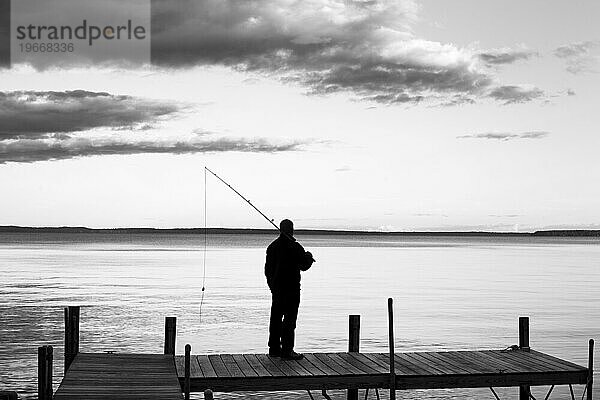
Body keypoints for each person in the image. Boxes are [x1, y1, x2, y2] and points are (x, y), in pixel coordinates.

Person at [264, 219, 314, 360]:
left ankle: (274, 349)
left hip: (277, 289)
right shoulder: (295, 247)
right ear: (291, 230)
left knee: (276, 318)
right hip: (291, 290)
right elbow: (304, 266)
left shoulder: (272, 247)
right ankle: (287, 350)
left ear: (281, 229)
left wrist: (272, 286)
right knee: (289, 320)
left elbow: (267, 270)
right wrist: (309, 257)